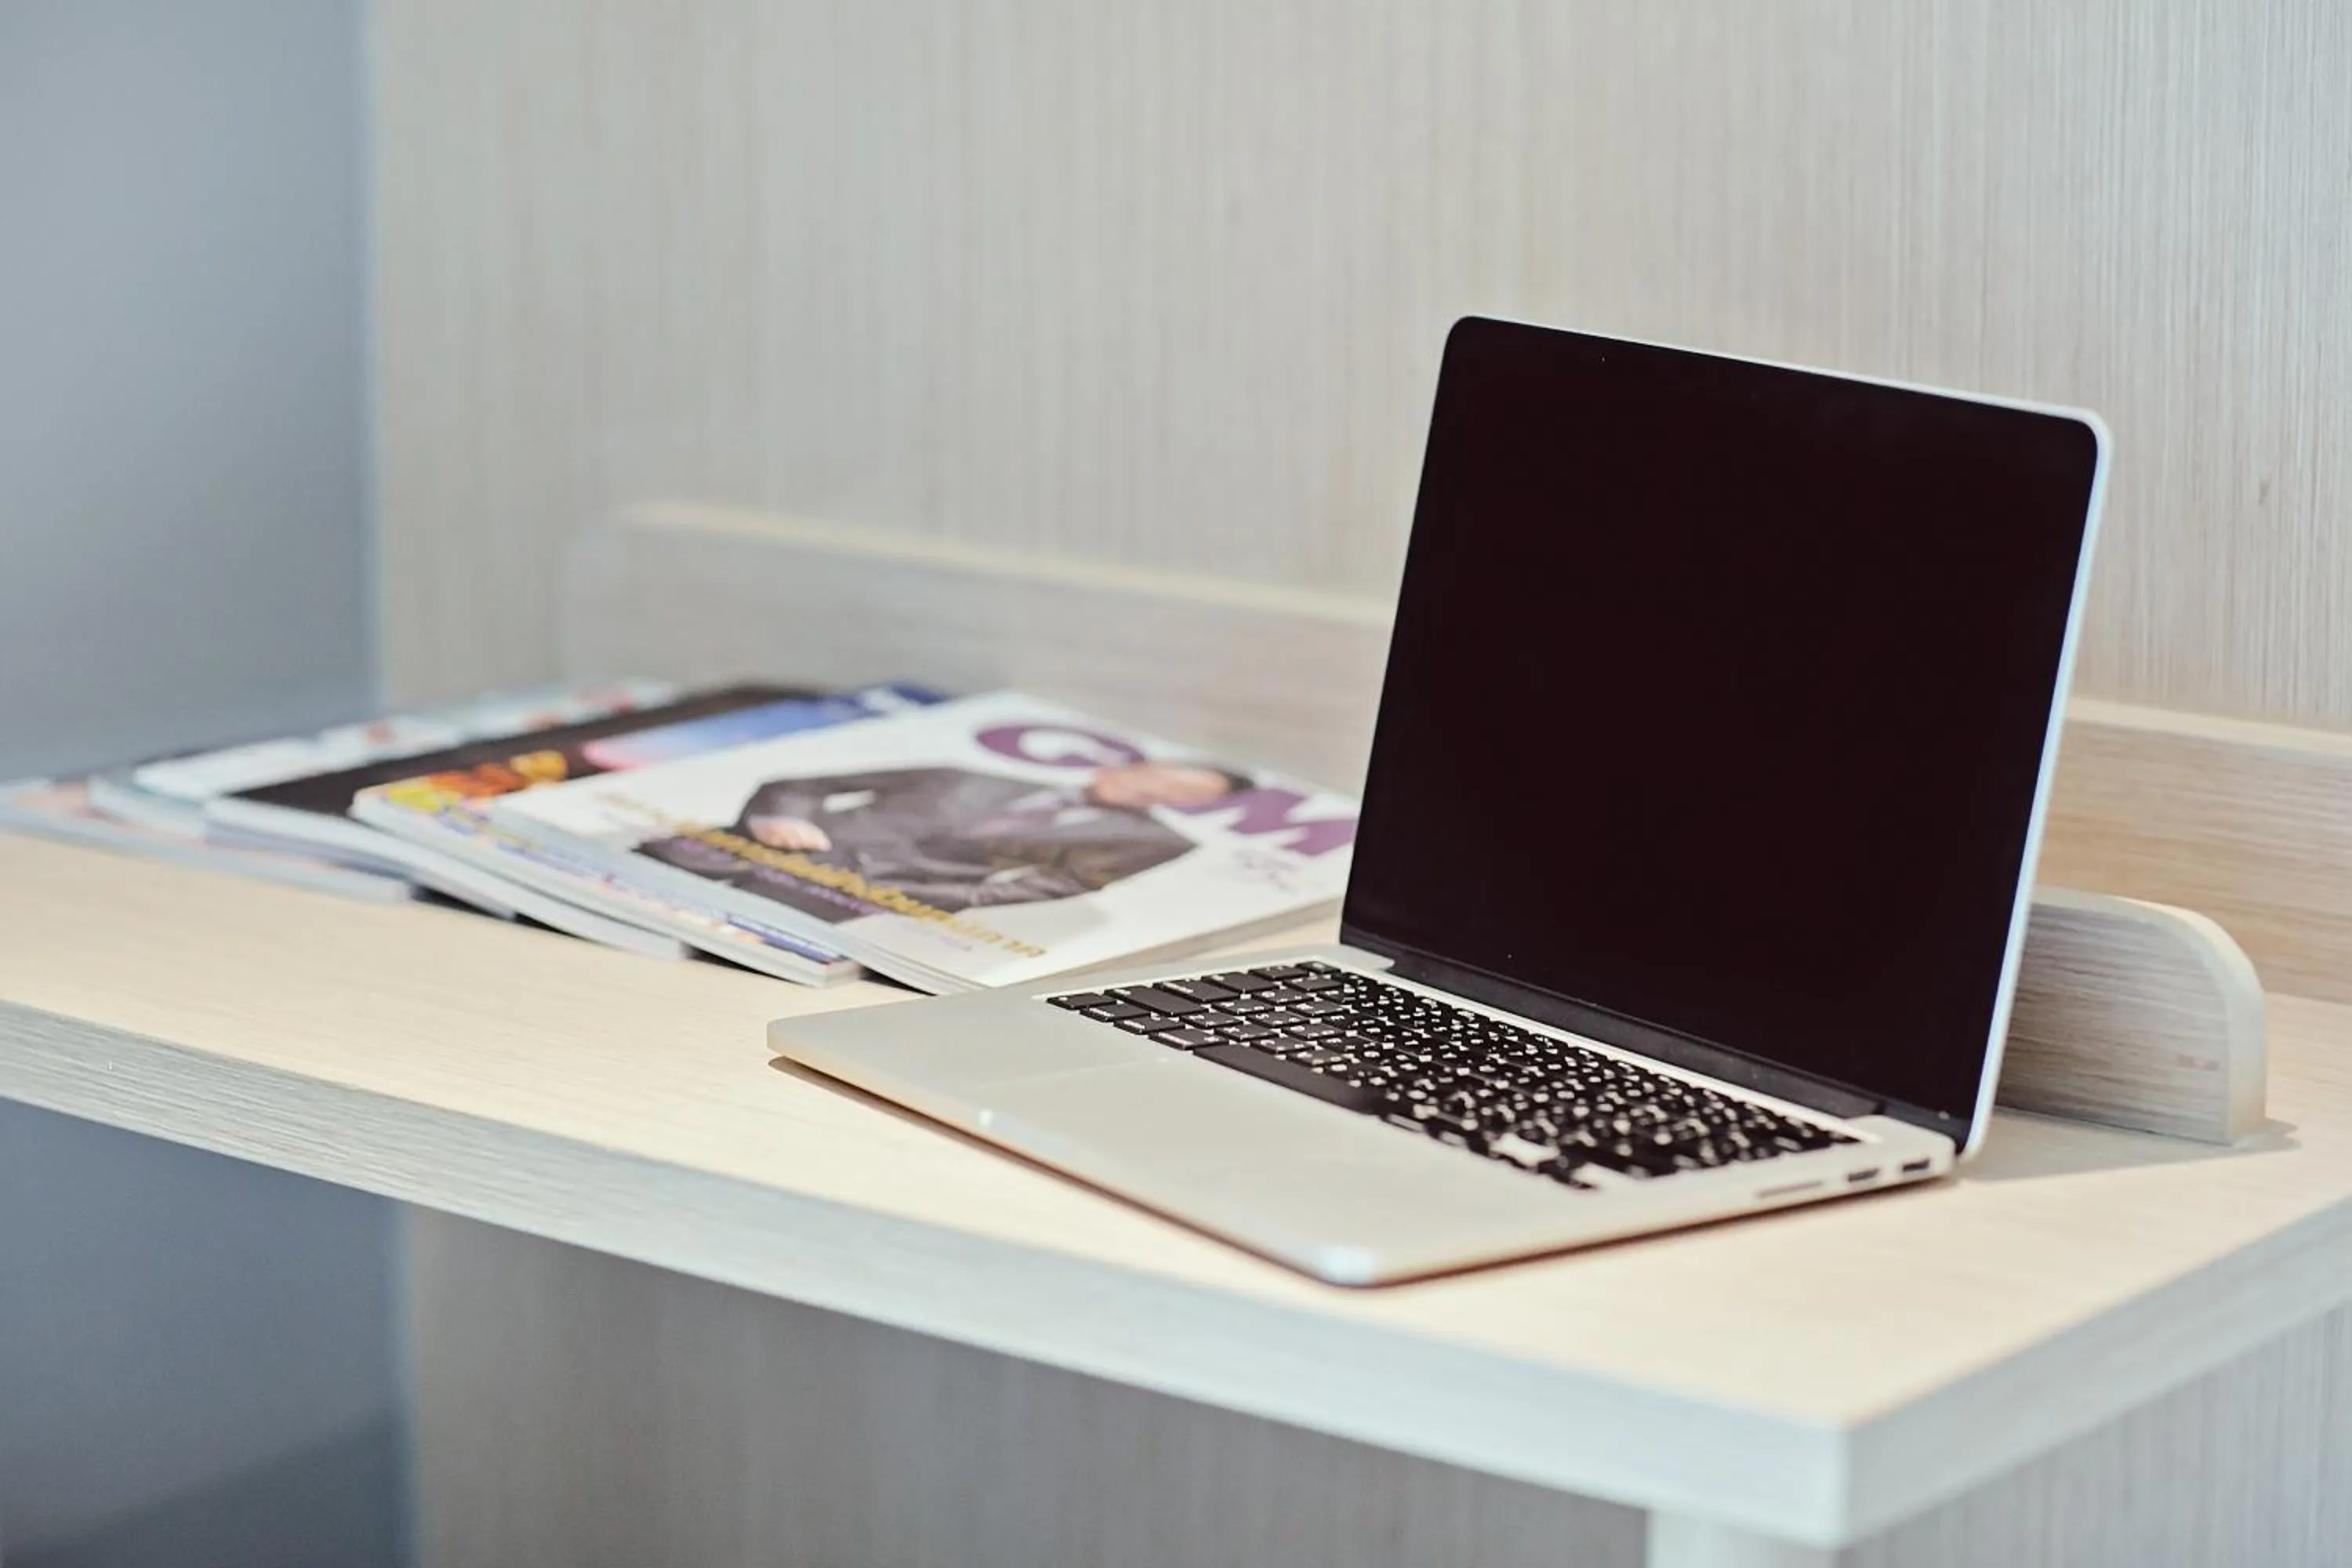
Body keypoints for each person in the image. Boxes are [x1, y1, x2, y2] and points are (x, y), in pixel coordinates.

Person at [643, 758, 1253, 916]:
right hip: (732, 851)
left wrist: (933, 897)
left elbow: (1062, 883)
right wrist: (775, 817)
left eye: (1181, 797)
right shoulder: (967, 775)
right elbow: (805, 782)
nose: (1156, 795)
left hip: (852, 895)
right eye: (1160, 779)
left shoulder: (1155, 842)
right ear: (1129, 765)